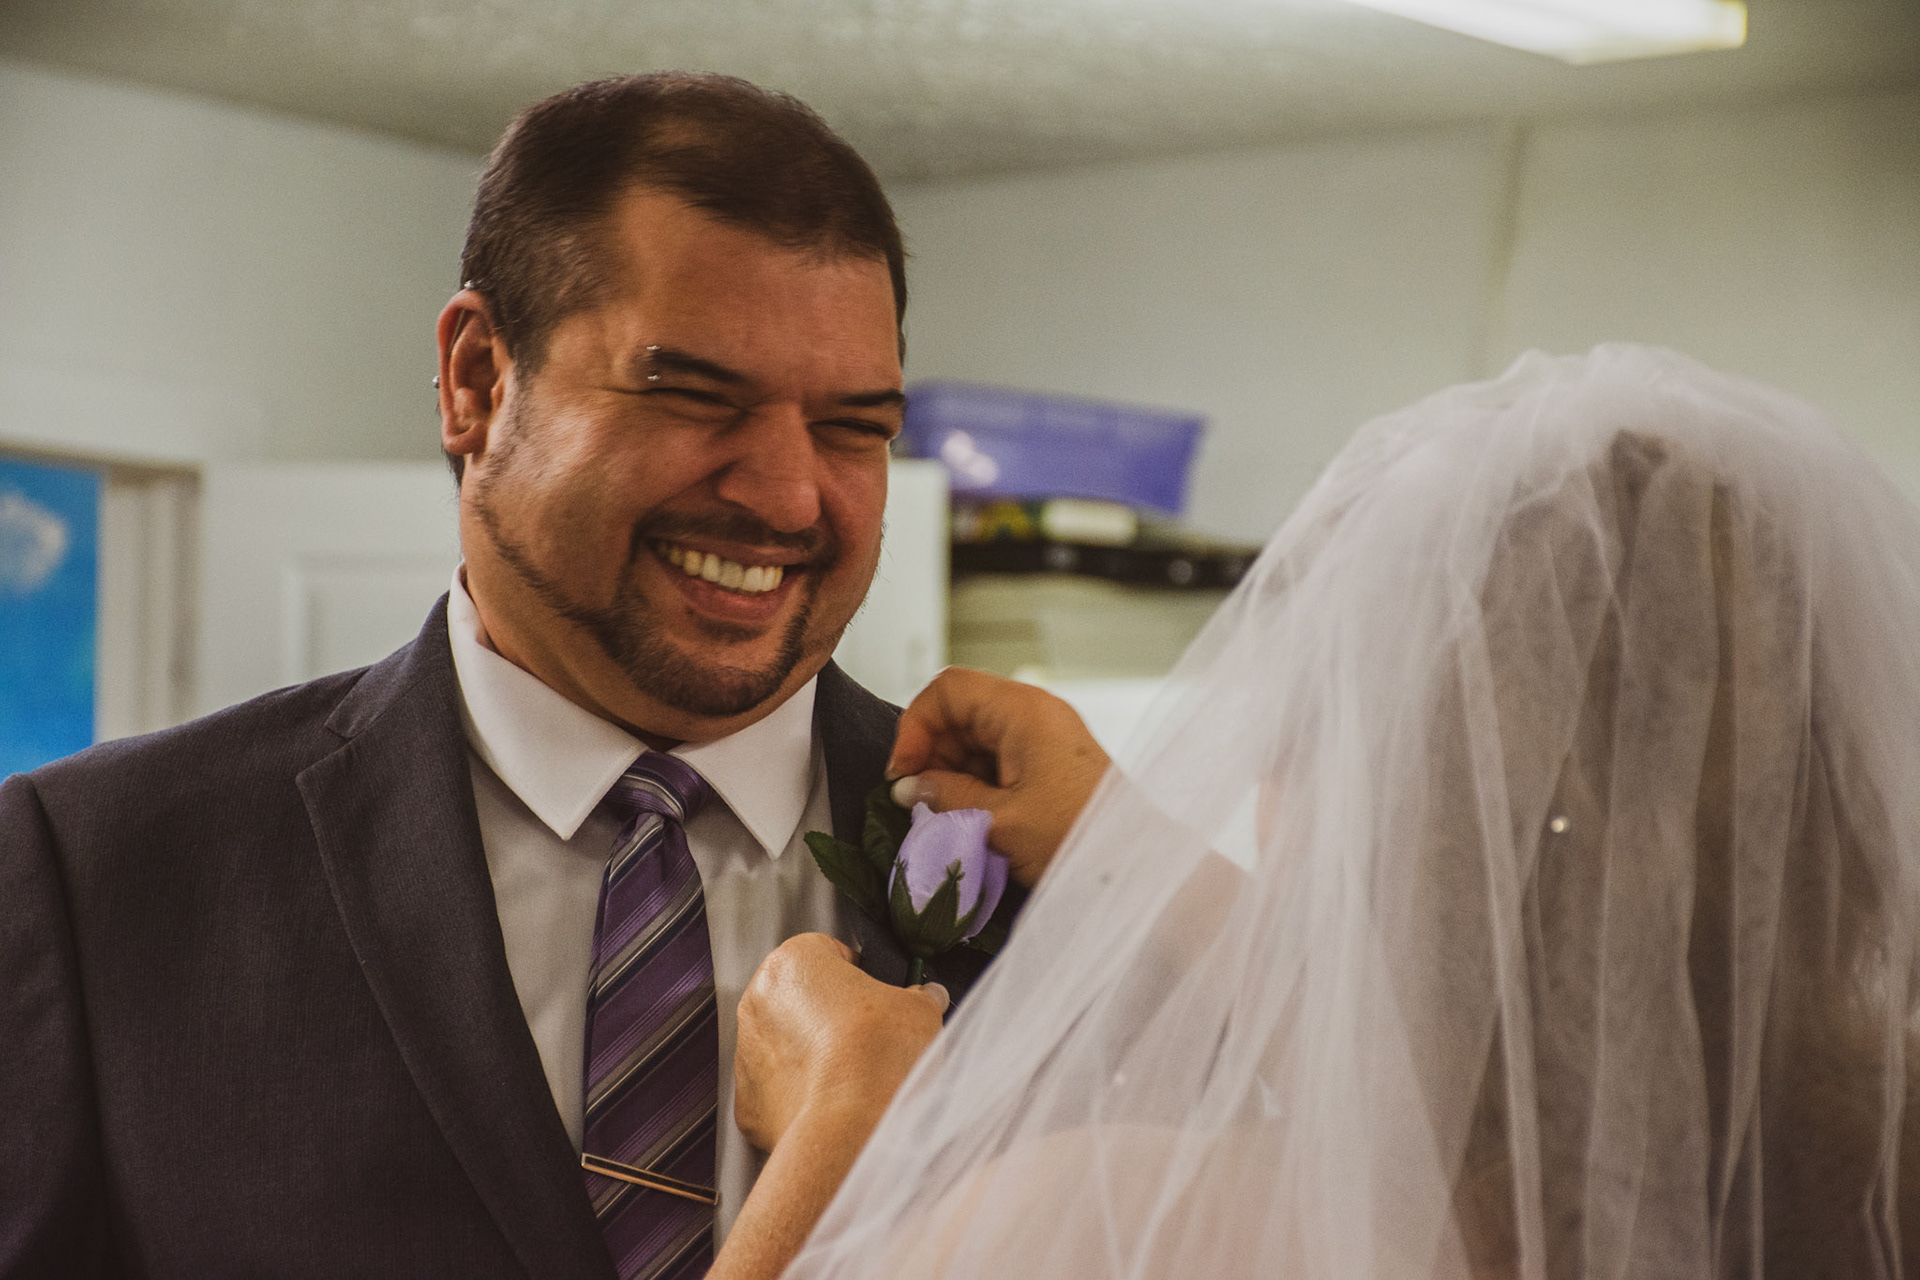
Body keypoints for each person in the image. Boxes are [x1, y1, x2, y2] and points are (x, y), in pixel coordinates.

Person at [0, 72, 996, 1279]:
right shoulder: (97, 873)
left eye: (854, 427)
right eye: (693, 394)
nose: (789, 497)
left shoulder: (1052, 882)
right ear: (477, 378)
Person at [731, 344, 1920, 1276]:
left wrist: (843, 1126)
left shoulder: (1126, 1223)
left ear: (1331, 790)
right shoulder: (1863, 1190)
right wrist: (1128, 846)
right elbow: (1492, 1052)